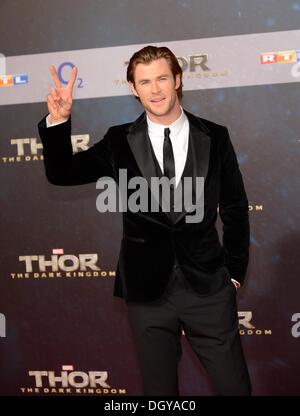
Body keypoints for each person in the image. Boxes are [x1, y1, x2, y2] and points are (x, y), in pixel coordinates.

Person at [38, 45, 251, 396]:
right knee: (159, 391)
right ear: (133, 89)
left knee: (234, 387)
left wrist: (235, 272)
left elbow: (234, 207)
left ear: (178, 80)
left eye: (162, 78)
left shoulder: (215, 135)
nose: (155, 89)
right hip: (146, 292)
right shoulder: (119, 140)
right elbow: (62, 173)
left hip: (209, 287)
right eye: (145, 82)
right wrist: (59, 121)